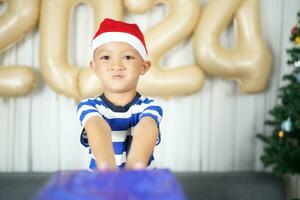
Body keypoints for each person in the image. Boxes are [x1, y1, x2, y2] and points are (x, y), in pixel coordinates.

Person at [77, 18, 163, 171]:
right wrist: (107, 169)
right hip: (103, 185)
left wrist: (132, 172)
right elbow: (97, 127)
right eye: (106, 57)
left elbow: (147, 128)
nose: (116, 65)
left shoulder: (150, 106)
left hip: (140, 185)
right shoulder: (88, 106)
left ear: (143, 67)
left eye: (127, 57)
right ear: (94, 67)